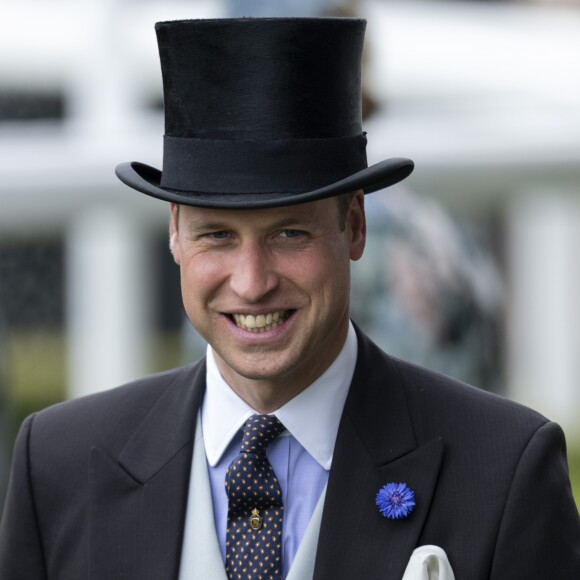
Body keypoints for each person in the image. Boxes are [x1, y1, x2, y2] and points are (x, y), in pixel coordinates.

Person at [1, 17, 579, 580]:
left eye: (289, 234)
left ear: (354, 225)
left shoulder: (503, 473)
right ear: (175, 231)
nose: (252, 282)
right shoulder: (57, 465)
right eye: (218, 235)